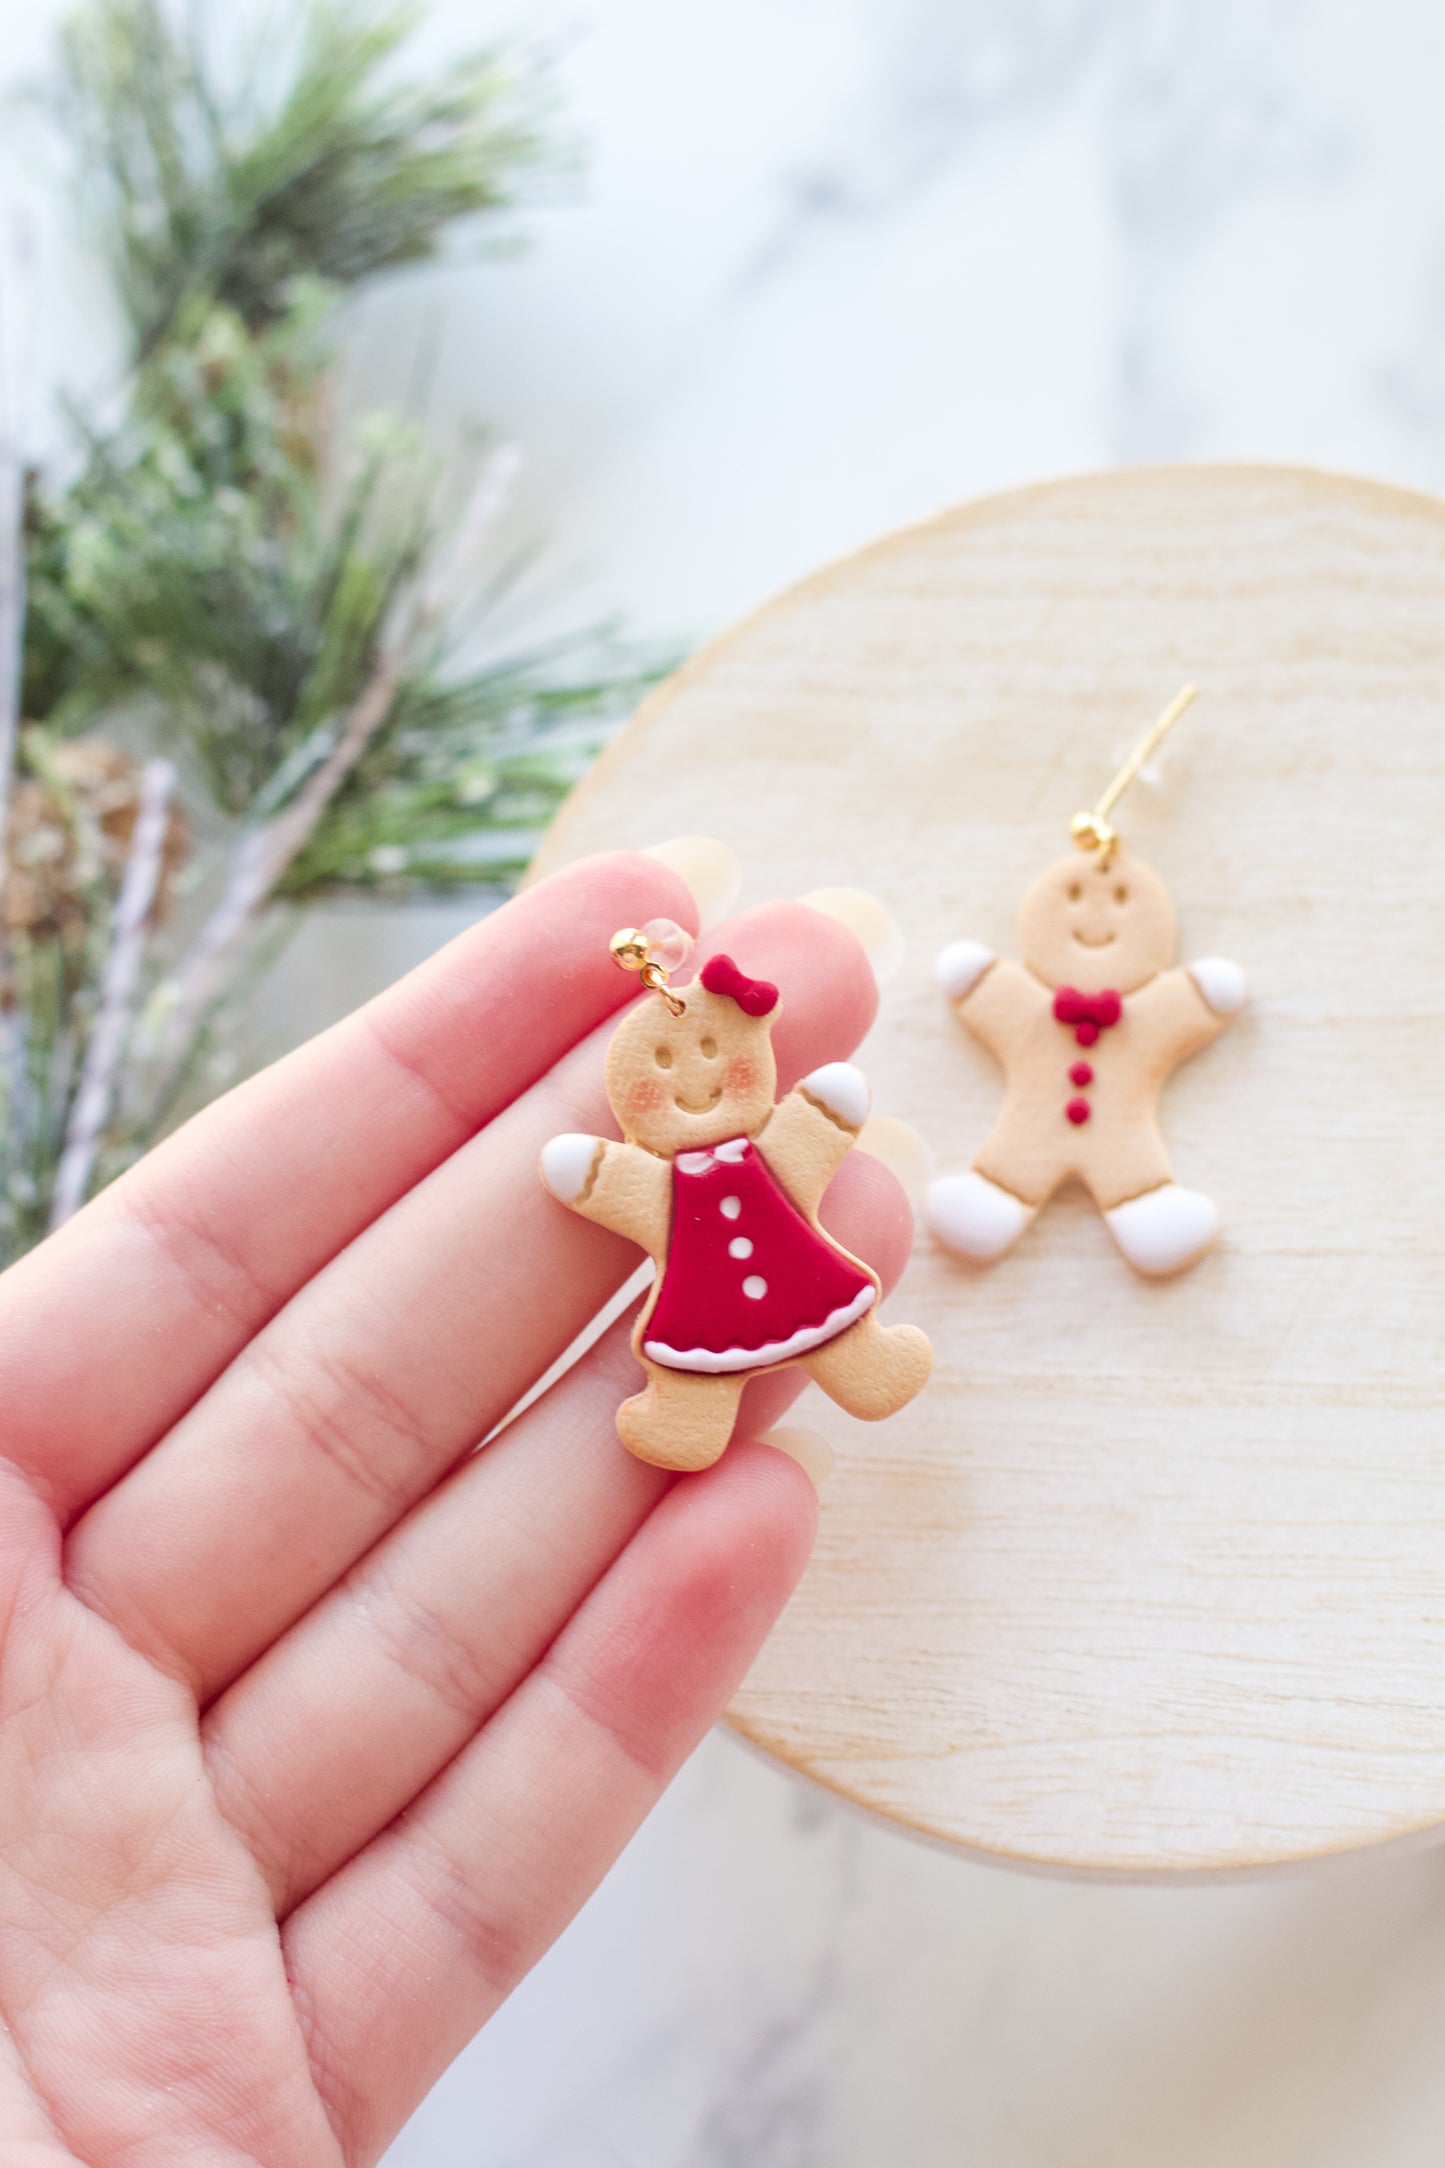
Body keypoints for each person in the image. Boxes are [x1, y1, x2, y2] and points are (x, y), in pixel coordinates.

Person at [0, 849, 912, 2166]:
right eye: (678, 1067)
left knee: (828, 1320)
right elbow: (620, 1184)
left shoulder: (748, 1141)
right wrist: (590, 1176)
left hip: (777, 1252)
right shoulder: (666, 1165)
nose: (702, 1079)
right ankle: (750, 1388)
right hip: (716, 1286)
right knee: (702, 1380)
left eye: (717, 1057)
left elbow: (806, 1138)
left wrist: (819, 1108)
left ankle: (863, 1358)